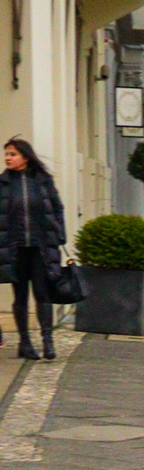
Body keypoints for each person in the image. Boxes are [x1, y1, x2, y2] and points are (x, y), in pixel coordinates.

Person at [0, 137, 66, 360]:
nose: (8, 158)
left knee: (43, 293)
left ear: (25, 157)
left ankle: (48, 341)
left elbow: (57, 209)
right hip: (15, 249)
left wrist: (59, 234)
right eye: (7, 154)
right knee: (20, 297)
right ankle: (25, 342)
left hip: (40, 248)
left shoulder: (43, 181)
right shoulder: (3, 184)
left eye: (12, 154)